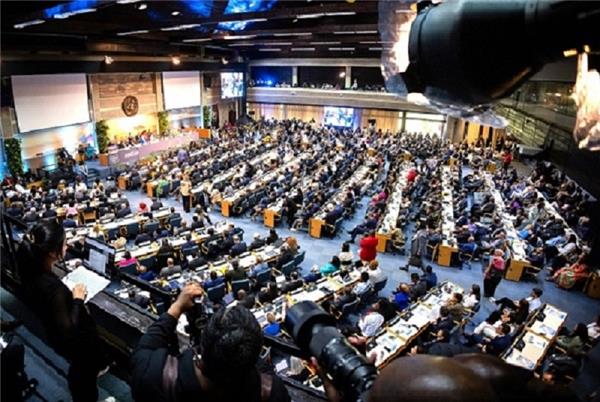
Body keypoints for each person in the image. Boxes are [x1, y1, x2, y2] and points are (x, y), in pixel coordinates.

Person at [131, 283, 291, 402]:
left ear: (203, 344)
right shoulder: (273, 392)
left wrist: (177, 307)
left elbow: (145, 346)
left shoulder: (150, 377)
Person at [16, 221, 107, 401]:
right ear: (52, 253)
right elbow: (69, 330)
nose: (67, 247)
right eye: (64, 244)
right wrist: (78, 299)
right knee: (84, 379)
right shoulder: (53, 289)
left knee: (80, 373)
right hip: (77, 345)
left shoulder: (30, 270)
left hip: (53, 333)